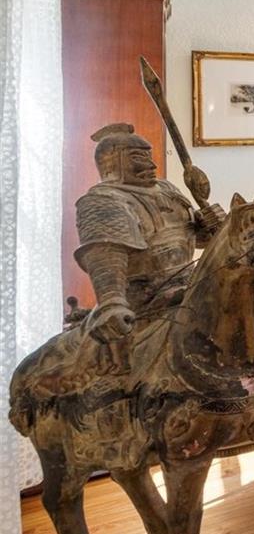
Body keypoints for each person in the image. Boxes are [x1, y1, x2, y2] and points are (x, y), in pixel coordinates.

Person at [72, 123, 225, 372]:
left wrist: (211, 225)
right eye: (137, 158)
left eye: (148, 156)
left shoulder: (167, 190)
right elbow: (105, 253)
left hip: (190, 284)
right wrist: (111, 302)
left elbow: (195, 239)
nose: (151, 165)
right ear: (113, 161)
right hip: (144, 299)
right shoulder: (102, 200)